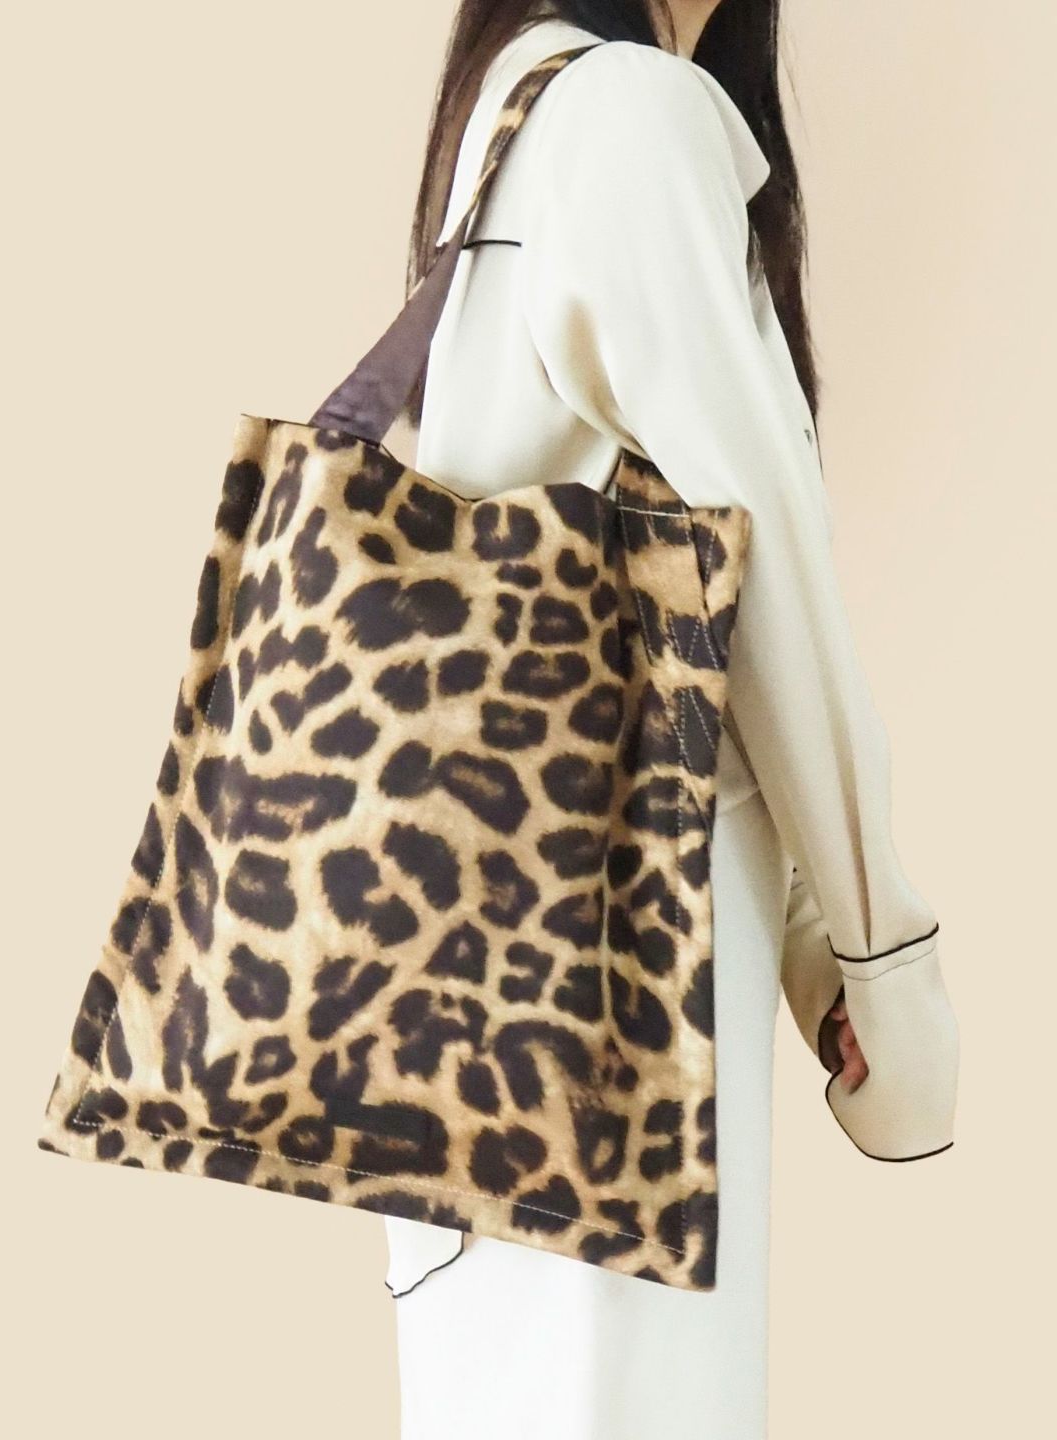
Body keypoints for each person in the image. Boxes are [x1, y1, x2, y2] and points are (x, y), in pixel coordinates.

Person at [381, 3, 959, 1437]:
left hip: (470, 1003)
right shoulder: (627, 116)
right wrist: (875, 952)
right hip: (622, 1003)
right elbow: (770, 584)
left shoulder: (522, 111)